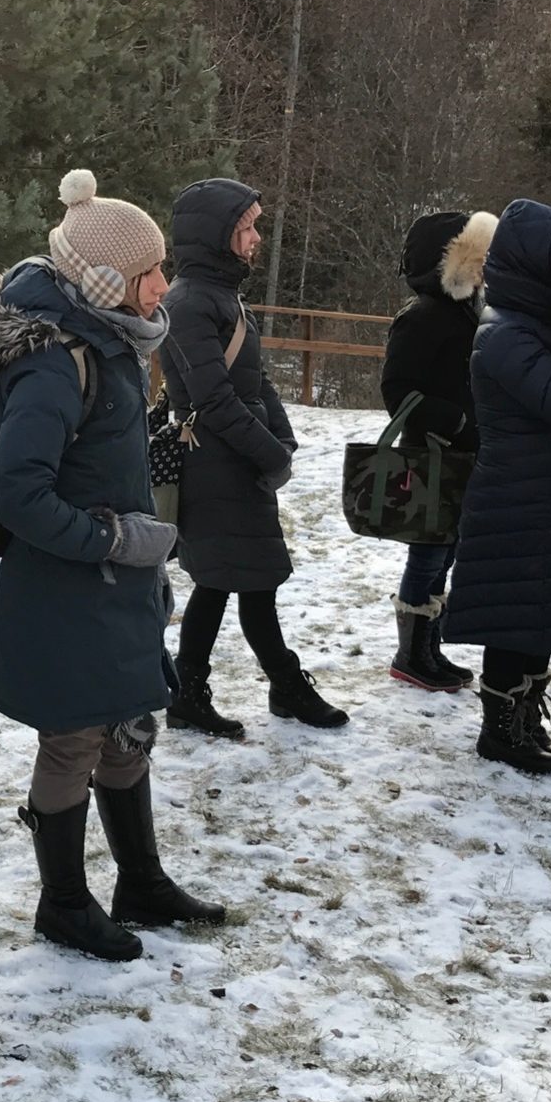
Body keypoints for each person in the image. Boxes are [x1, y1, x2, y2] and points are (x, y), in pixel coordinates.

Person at [0, 169, 226, 963]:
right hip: (67, 589)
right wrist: (111, 541)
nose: (163, 286)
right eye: (148, 273)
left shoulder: (109, 339)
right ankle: (62, 903)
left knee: (129, 729)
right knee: (74, 742)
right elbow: (21, 496)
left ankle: (141, 881)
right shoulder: (55, 361)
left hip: (116, 586)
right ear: (103, 279)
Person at [159, 178, 348, 736]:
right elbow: (214, 399)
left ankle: (194, 694)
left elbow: (255, 379)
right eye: (247, 227)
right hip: (215, 465)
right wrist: (271, 456)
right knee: (245, 580)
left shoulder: (219, 294)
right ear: (217, 234)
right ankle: (277, 687)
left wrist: (281, 441)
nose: (256, 238)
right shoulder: (190, 301)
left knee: (226, 581)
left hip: (235, 463)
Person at [443, 199, 551, 774]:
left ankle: (524, 717)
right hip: (514, 498)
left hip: (550, 495)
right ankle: (500, 731)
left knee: (540, 612)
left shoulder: (541, 323)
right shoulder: (502, 335)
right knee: (514, 617)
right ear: (533, 264)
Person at [379, 210, 495, 690]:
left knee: (445, 550)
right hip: (432, 454)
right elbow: (396, 389)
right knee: (428, 552)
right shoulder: (424, 315)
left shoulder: (464, 310)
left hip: (460, 454)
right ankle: (411, 653)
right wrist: (456, 419)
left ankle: (429, 647)